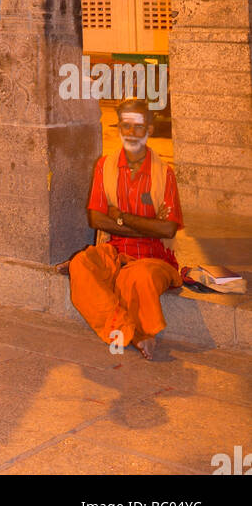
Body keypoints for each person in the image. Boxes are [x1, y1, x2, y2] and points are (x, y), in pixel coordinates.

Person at [68, 100, 183, 360]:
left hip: (154, 258)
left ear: (150, 130)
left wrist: (121, 218)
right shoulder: (105, 167)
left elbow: (167, 229)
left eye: (138, 127)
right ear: (118, 127)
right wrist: (145, 226)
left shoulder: (165, 174)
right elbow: (97, 219)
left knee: (137, 277)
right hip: (115, 252)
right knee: (81, 264)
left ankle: (138, 333)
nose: (131, 133)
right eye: (126, 126)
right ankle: (128, 330)